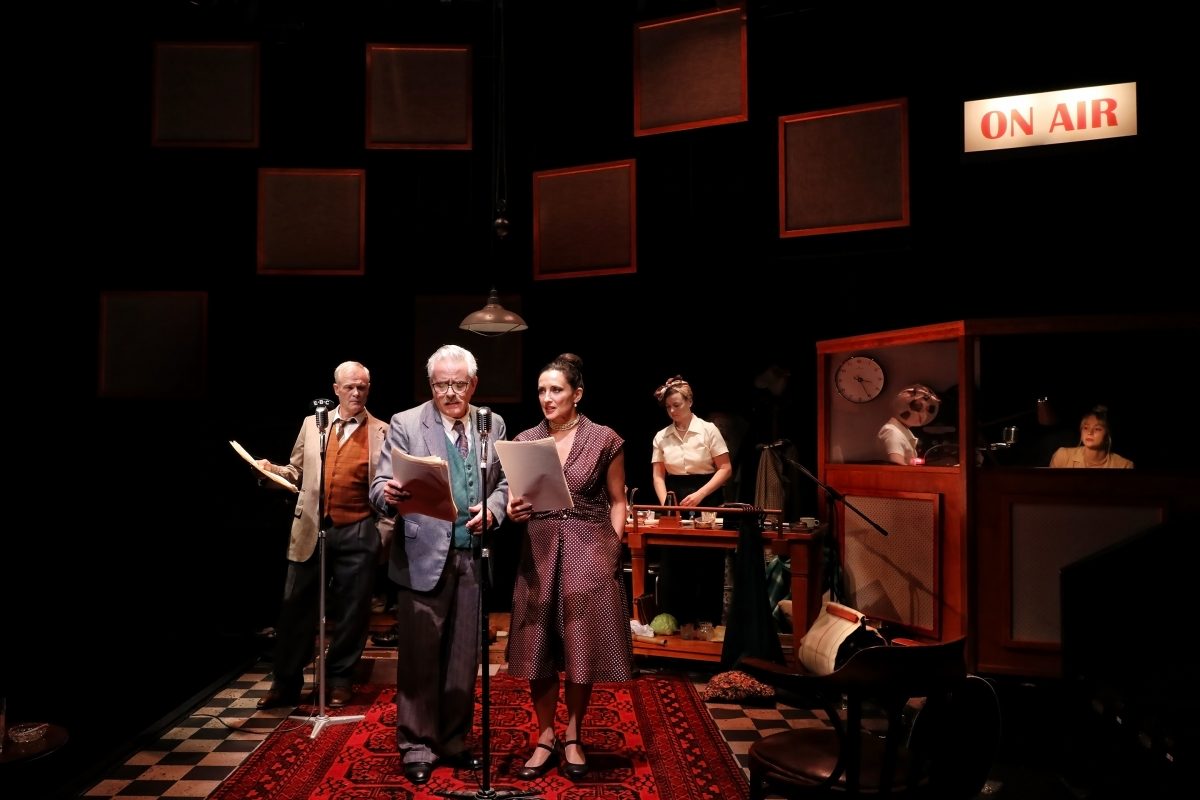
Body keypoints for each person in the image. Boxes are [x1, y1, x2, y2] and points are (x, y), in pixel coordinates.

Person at [368, 344, 509, 786]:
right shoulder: (407, 423)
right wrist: (386, 494)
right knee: (420, 660)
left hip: (472, 556)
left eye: (459, 383)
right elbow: (378, 484)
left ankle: (453, 740)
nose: (451, 392)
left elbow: (504, 482)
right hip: (422, 556)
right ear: (431, 385)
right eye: (442, 384)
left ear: (474, 384)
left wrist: (495, 509)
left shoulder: (492, 423)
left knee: (464, 658)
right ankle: (416, 745)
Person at [504, 353, 631, 782]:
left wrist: (611, 551)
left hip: (588, 550)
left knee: (580, 650)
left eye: (555, 389)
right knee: (536, 649)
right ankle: (545, 737)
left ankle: (573, 735)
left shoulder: (604, 439)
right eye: (541, 390)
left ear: (577, 393)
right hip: (538, 552)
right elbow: (516, 500)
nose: (547, 397)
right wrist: (513, 509)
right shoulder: (525, 440)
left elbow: (618, 501)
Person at [253, 361, 394, 710]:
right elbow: (296, 471)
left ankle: (340, 679)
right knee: (295, 609)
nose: (356, 393)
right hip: (313, 529)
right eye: (349, 387)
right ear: (335, 389)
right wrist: (270, 472)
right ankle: (285, 683)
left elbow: (390, 490)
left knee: (353, 611)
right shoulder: (312, 425)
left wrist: (381, 538)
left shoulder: (383, 431)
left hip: (359, 528)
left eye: (362, 386)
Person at [650, 375, 733, 627]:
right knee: (674, 562)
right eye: (668, 407)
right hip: (675, 496)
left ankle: (707, 624)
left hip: (706, 495)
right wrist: (668, 503)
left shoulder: (708, 429)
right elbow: (657, 475)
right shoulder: (661, 436)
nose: (673, 410)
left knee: (707, 563)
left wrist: (700, 494)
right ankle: (676, 624)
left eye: (677, 404)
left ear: (690, 402)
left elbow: (725, 468)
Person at [1049, 404, 1134, 468]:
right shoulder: (1063, 456)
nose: (1090, 432)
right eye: (1086, 428)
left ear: (1108, 435)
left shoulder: (1123, 465)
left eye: (1097, 429)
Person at [878, 383, 941, 465]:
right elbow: (896, 464)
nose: (926, 414)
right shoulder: (892, 432)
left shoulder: (900, 430)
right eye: (925, 409)